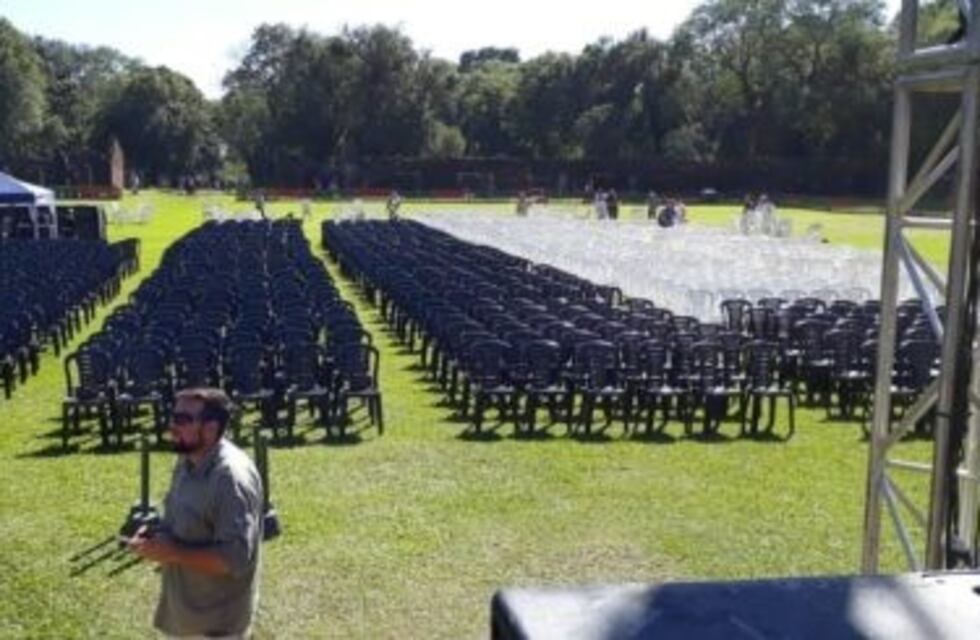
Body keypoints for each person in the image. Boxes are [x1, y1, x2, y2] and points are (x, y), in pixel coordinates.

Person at [127, 388, 263, 639]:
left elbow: (232, 559)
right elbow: (184, 518)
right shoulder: (188, 459)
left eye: (182, 420)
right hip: (187, 617)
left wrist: (171, 553)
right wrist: (155, 535)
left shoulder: (230, 479)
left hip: (215, 627)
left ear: (211, 428)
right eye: (172, 417)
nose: (172, 427)